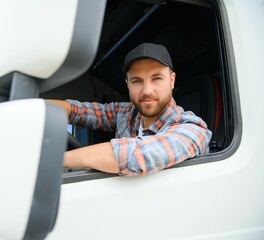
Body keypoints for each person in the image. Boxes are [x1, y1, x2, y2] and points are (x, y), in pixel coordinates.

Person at [49, 43, 212, 176]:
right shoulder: (128, 113)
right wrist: (36, 109)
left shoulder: (193, 129)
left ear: (172, 80)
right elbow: (79, 110)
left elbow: (133, 155)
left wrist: (53, 160)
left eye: (156, 79)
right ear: (127, 84)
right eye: (136, 81)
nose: (147, 90)